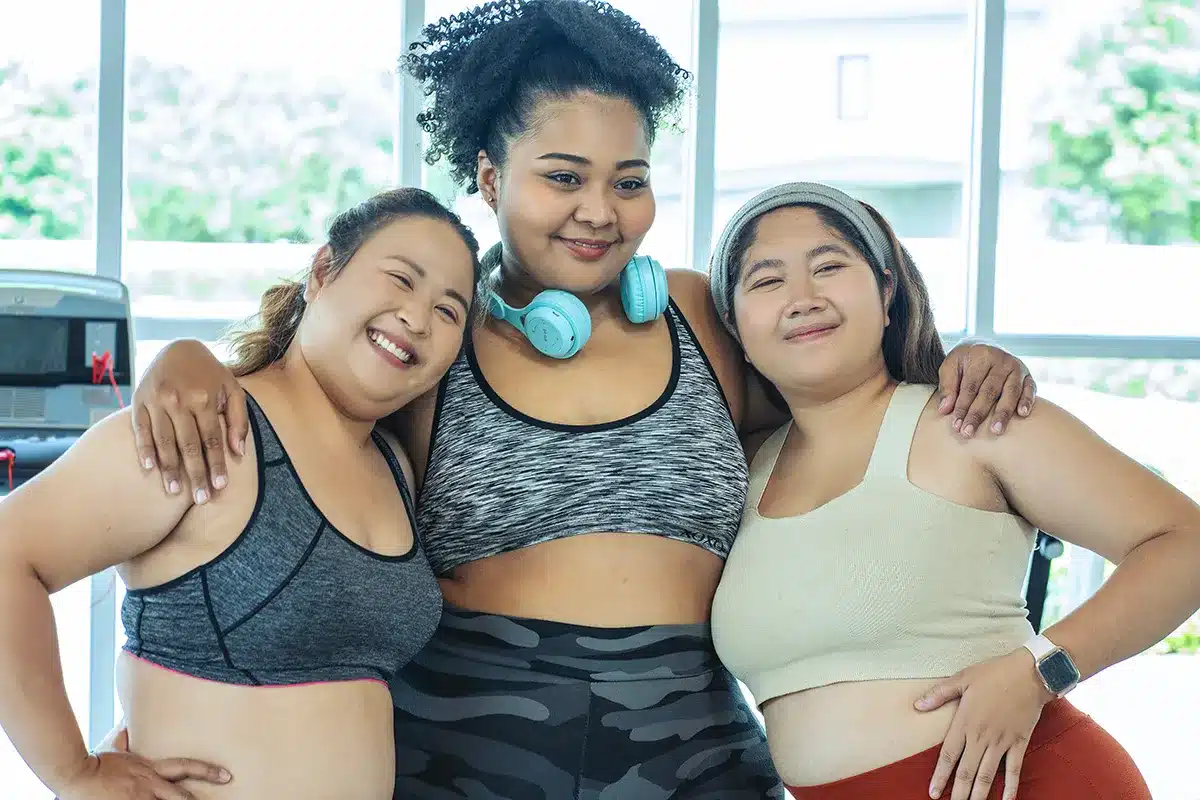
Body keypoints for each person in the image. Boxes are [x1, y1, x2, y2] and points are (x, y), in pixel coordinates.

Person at [118, 3, 1038, 797]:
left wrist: (959, 359)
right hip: (457, 758)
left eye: (628, 181)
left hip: (698, 759)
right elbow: (301, 403)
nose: (600, 211)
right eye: (563, 177)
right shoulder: (435, 336)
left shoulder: (697, 314)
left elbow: (848, 406)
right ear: (488, 179)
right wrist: (186, 359)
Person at [708, 181, 1198, 800]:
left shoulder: (972, 420)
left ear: (887, 292)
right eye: (767, 280)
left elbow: (1185, 543)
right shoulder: (735, 473)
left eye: (829, 266)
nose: (803, 298)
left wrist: (1041, 670)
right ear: (735, 324)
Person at [0, 188, 481, 800]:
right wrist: (74, 771)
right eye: (400, 279)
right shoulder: (202, 431)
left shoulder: (396, 465)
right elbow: (7, 555)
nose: (417, 317)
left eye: (448, 310)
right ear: (323, 271)